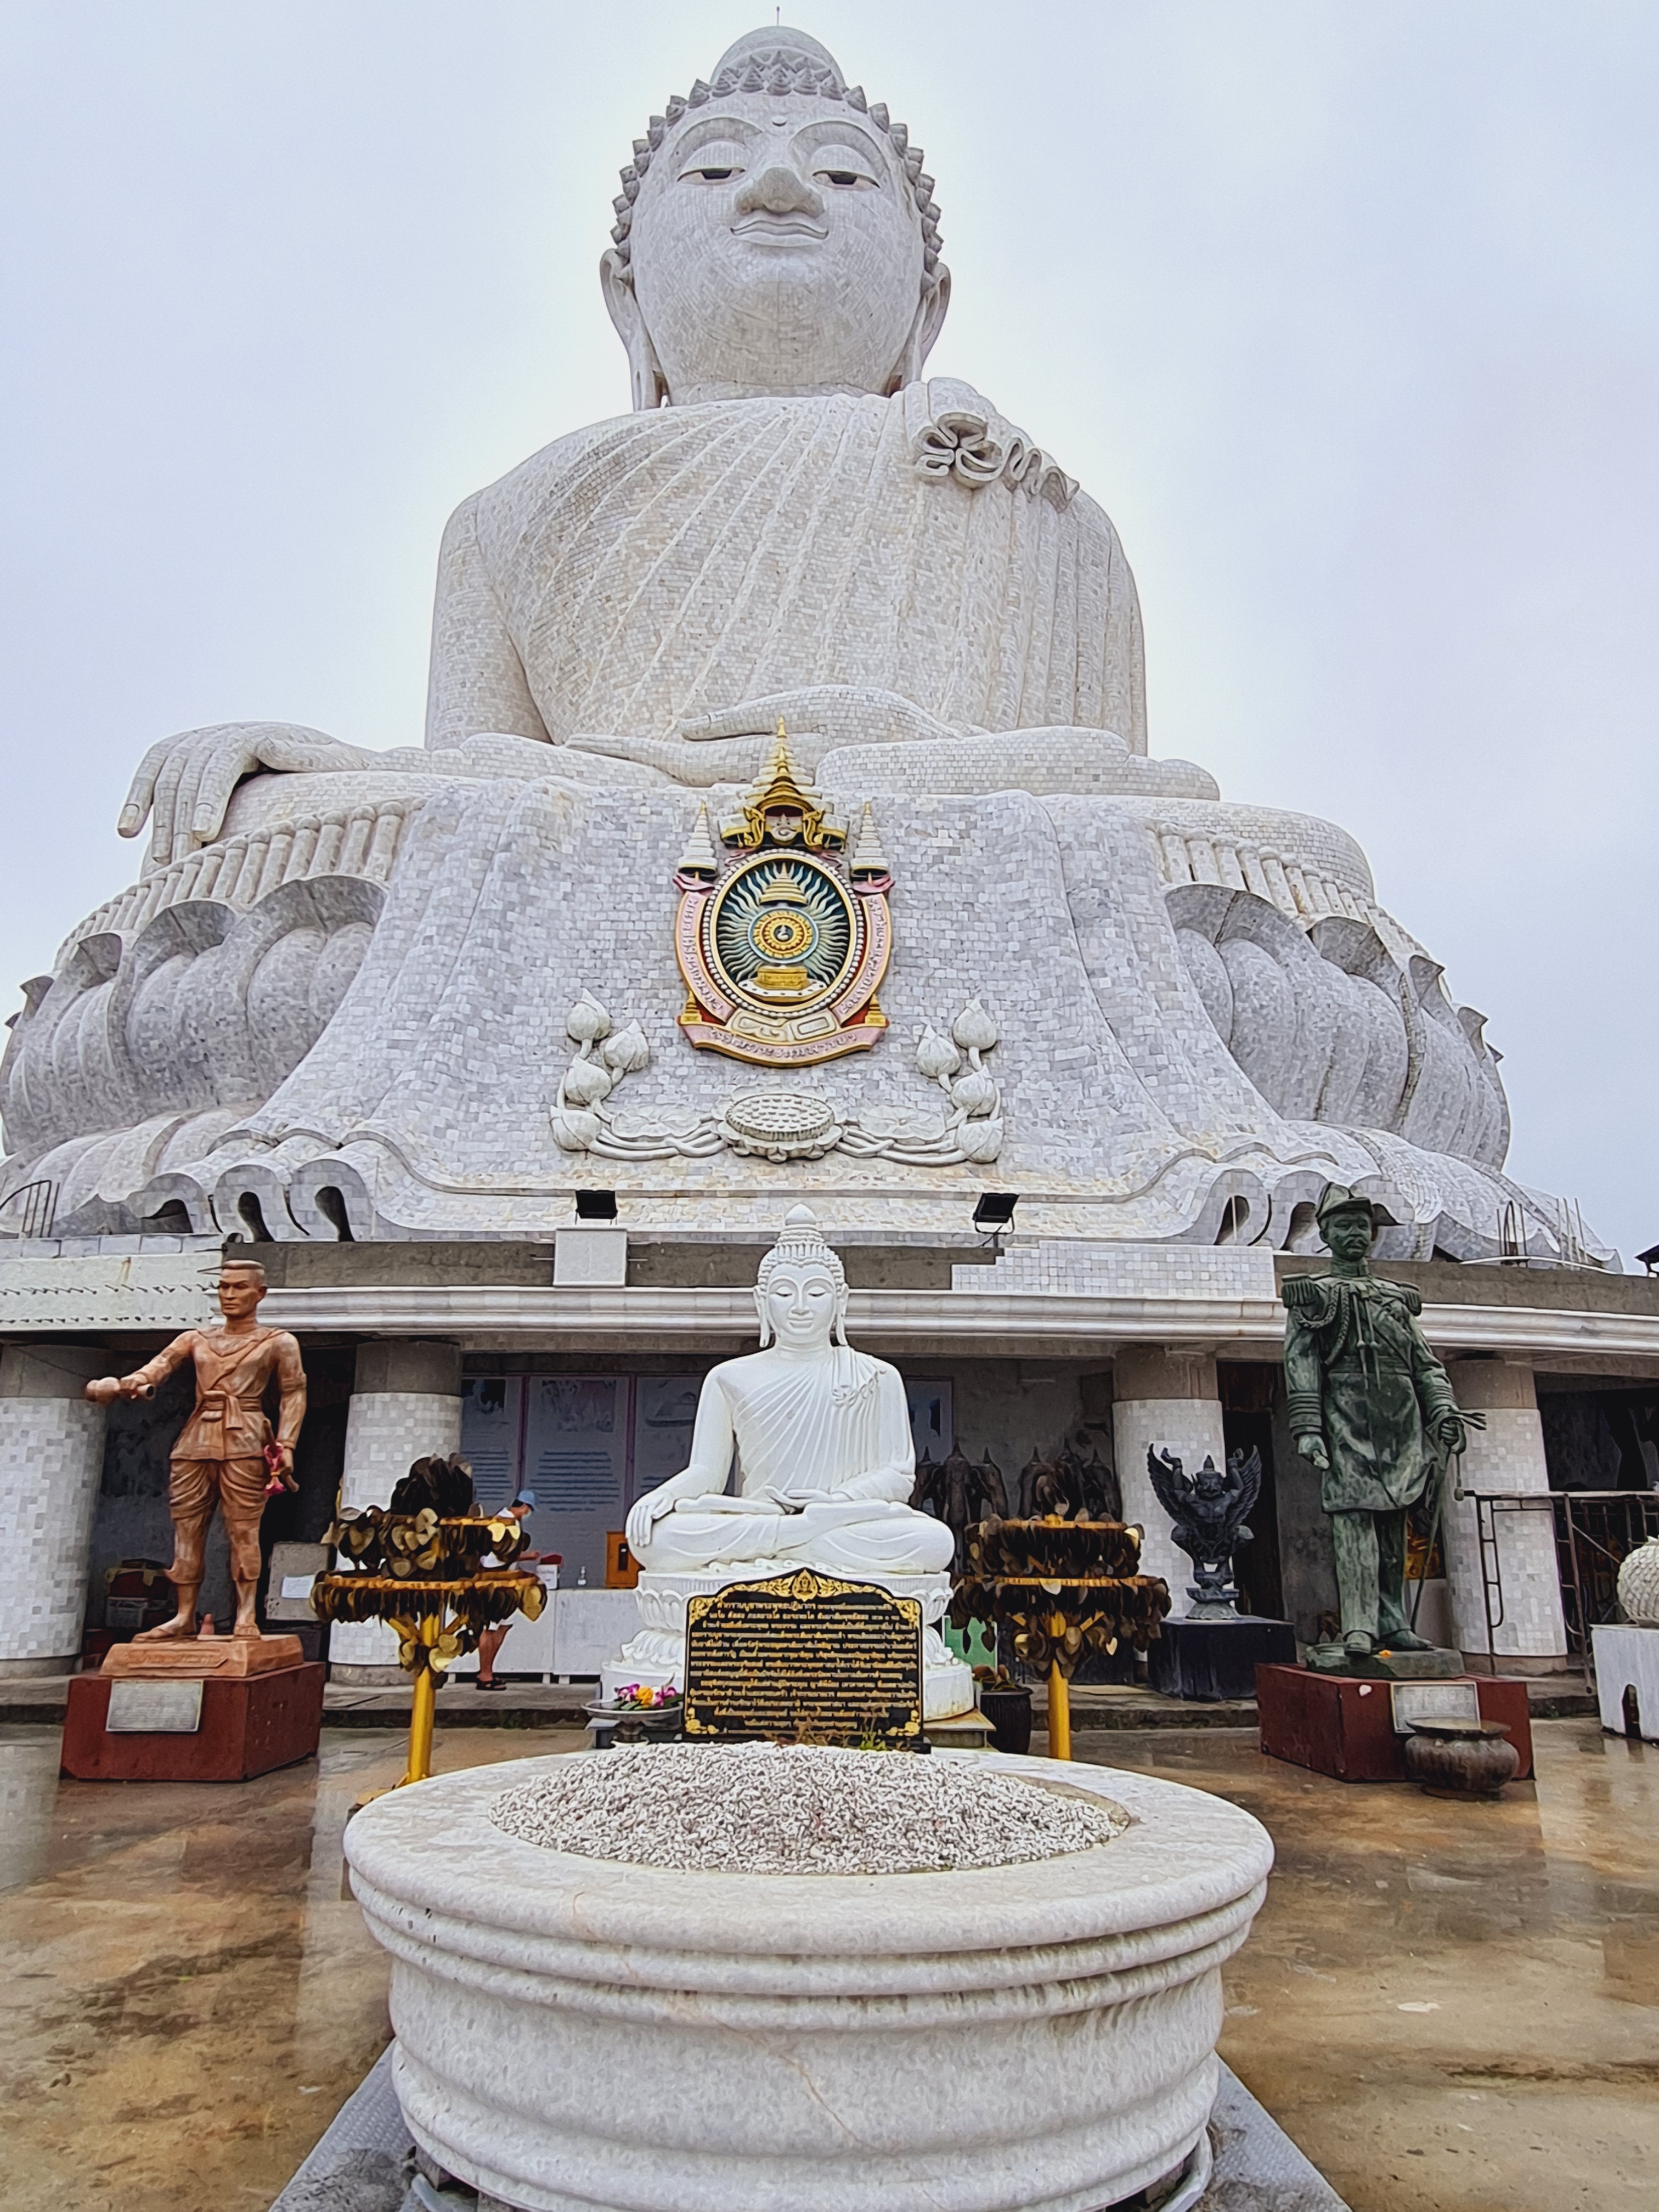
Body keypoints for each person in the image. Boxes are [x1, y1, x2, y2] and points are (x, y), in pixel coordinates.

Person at [1282, 1186, 1480, 1660]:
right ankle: (1359, 1625)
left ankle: (1393, 1622)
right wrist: (1308, 1428)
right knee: (1354, 1523)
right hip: (1346, 1418)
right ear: (1325, 1234)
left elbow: (1425, 1364)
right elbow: (1301, 1361)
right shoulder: (1314, 1296)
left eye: (1361, 1226)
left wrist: (1442, 1409)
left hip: (1399, 1421)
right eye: (1344, 1226)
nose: (1355, 1234)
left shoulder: (1394, 1298)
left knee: (1394, 1527)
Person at [85, 1258, 306, 1642]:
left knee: (243, 1531)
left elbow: (293, 1392)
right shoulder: (195, 1339)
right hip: (195, 1440)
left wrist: (286, 1443)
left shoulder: (278, 1342)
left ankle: (246, 1615)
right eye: (224, 1287)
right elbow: (158, 1367)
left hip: (245, 1438)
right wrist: (130, 1382)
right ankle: (184, 1614)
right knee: (186, 1531)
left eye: (239, 1287)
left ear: (260, 1294)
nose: (229, 1295)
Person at [474, 1491, 543, 1689]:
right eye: (528, 1510)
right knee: (490, 1628)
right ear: (525, 1507)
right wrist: (526, 1556)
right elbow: (495, 1559)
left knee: (504, 1626)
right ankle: (485, 1674)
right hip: (494, 1585)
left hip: (506, 1583)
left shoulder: (513, 1523)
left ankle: (488, 1670)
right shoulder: (502, 1523)